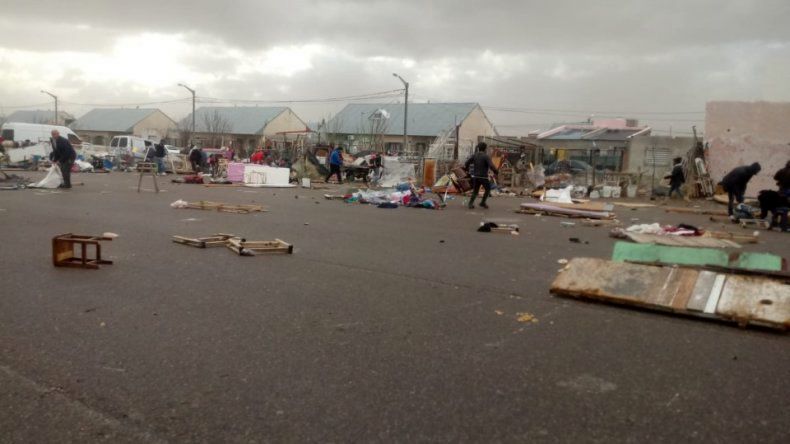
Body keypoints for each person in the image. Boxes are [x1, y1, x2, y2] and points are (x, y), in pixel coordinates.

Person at [464, 142, 498, 209]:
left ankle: (470, 204)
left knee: (475, 191)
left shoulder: (475, 155)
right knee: (488, 189)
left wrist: (467, 170)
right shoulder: (486, 156)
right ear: (485, 148)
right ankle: (482, 202)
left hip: (476, 176)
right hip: (483, 177)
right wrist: (496, 171)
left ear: (478, 148)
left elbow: (466, 163)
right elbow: (491, 165)